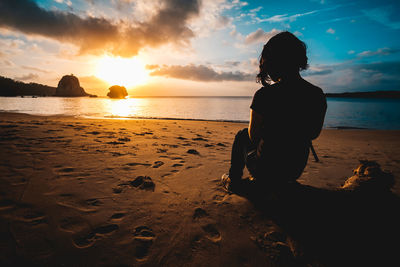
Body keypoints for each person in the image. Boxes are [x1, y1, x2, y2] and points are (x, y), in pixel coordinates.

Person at [222, 31, 327, 193]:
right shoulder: (317, 94)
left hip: (264, 168)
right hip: (295, 168)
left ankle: (233, 181)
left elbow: (253, 136)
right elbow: (314, 133)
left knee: (242, 135)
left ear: (272, 61)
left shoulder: (264, 95)